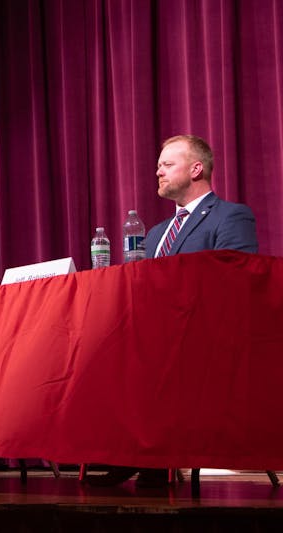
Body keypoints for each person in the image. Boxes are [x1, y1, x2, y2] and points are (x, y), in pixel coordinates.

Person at [87, 135, 258, 489]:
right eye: (159, 166)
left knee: (143, 360)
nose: (157, 172)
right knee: (96, 348)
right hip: (155, 335)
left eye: (167, 164)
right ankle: (124, 453)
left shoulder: (231, 215)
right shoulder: (156, 233)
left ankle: (145, 459)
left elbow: (237, 277)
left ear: (196, 169)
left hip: (205, 337)